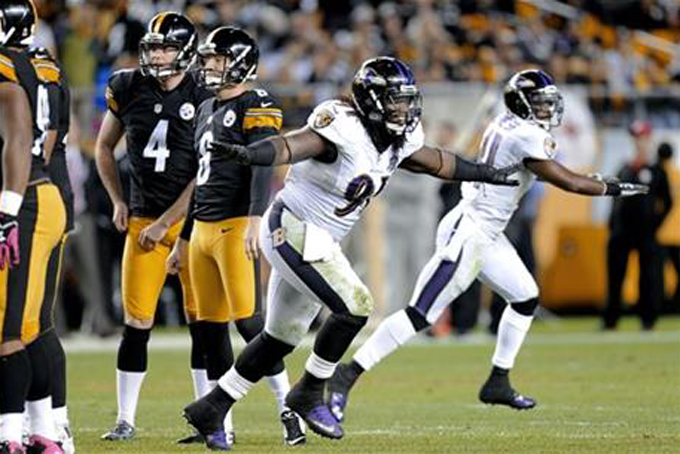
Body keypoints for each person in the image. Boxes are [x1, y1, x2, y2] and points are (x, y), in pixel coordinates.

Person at [183, 56, 519, 450]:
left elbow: (436, 161)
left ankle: (211, 407)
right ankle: (310, 391)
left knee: (279, 338)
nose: (403, 109)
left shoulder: (397, 138)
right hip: (293, 227)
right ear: (371, 100)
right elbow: (292, 145)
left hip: (320, 240)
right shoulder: (341, 125)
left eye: (407, 100)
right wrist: (251, 154)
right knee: (355, 307)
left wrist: (485, 172)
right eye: (394, 101)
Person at [326, 69, 649, 428]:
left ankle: (498, 380)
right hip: (471, 233)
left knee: (526, 296)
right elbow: (568, 183)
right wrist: (613, 189)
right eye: (541, 104)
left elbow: (531, 170)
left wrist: (587, 180)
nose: (547, 111)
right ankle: (347, 375)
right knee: (420, 313)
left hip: (486, 232)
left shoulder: (506, 125)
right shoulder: (528, 135)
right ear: (524, 105)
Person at [166, 26, 305, 447]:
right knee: (208, 332)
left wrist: (254, 217)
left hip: (233, 227)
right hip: (203, 229)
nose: (208, 65)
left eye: (216, 59)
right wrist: (183, 238)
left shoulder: (256, 102)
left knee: (250, 324)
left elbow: (263, 163)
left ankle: (289, 409)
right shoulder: (207, 107)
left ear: (240, 62)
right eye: (207, 58)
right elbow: (201, 181)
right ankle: (218, 424)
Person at [95, 12, 211, 442]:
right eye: (153, 46)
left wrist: (169, 223)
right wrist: (118, 199)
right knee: (136, 322)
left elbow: (206, 171)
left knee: (202, 324)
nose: (156, 54)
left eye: (165, 47)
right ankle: (125, 418)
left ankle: (208, 419)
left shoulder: (204, 94)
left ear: (185, 51)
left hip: (193, 225)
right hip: (143, 220)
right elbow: (104, 147)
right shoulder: (128, 86)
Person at [0, 1, 67, 453]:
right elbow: (54, 135)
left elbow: (20, 137)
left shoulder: (5, 67)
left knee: (8, 331)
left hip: (24, 201)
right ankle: (46, 432)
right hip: (44, 193)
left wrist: (7, 210)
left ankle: (12, 436)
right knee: (32, 326)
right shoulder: (46, 66)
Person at [31, 45, 75, 454]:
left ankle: (56, 423)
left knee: (36, 322)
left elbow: (43, 146)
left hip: (38, 201)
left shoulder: (38, 70)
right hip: (28, 200)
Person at [603, 124, 673, 331]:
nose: (638, 141)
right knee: (615, 277)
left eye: (641, 137)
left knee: (648, 277)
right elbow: (614, 199)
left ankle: (647, 320)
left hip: (646, 233)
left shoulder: (656, 170)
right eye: (635, 137)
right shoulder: (624, 167)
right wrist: (613, 223)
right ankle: (610, 320)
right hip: (621, 232)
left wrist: (655, 224)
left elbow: (668, 201)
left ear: (649, 139)